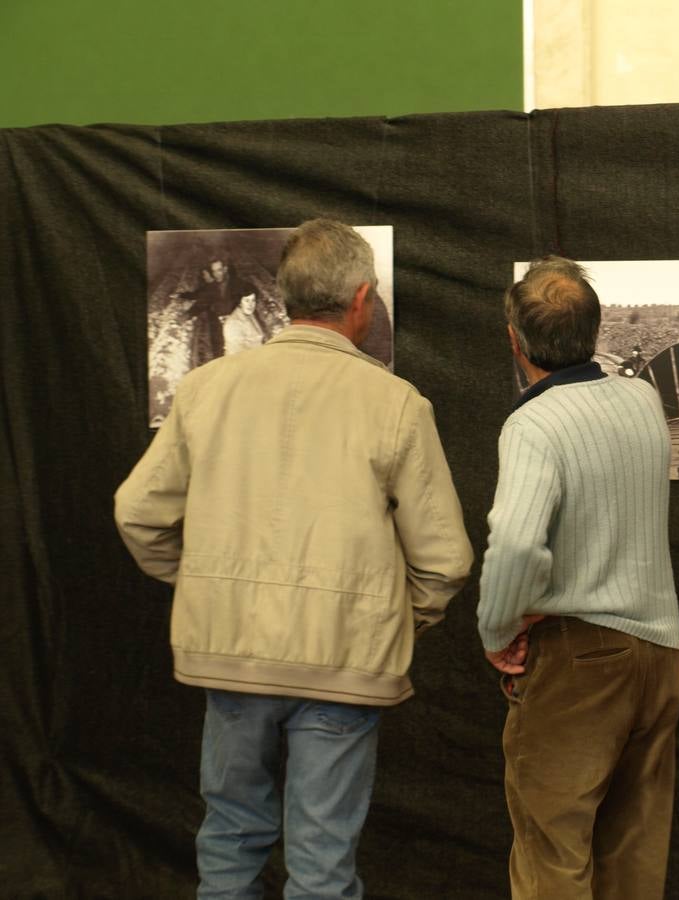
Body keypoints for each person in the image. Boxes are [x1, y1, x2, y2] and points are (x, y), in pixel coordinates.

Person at [114, 218, 474, 898]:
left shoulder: (204, 390)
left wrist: (196, 582)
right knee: (323, 858)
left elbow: (138, 514)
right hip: (344, 657)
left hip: (231, 649)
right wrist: (401, 618)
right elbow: (446, 559)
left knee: (229, 837)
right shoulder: (395, 402)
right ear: (363, 298)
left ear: (287, 297)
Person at [478, 256, 679, 899]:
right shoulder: (643, 397)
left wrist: (498, 631)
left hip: (581, 663)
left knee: (553, 859)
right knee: (634, 860)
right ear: (595, 331)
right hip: (661, 653)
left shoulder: (535, 423)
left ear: (515, 340)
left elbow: (515, 542)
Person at [220, 291, 267, 355]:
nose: (251, 304)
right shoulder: (233, 323)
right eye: (247, 300)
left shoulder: (250, 315)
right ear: (240, 302)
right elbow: (238, 355)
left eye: (253, 300)